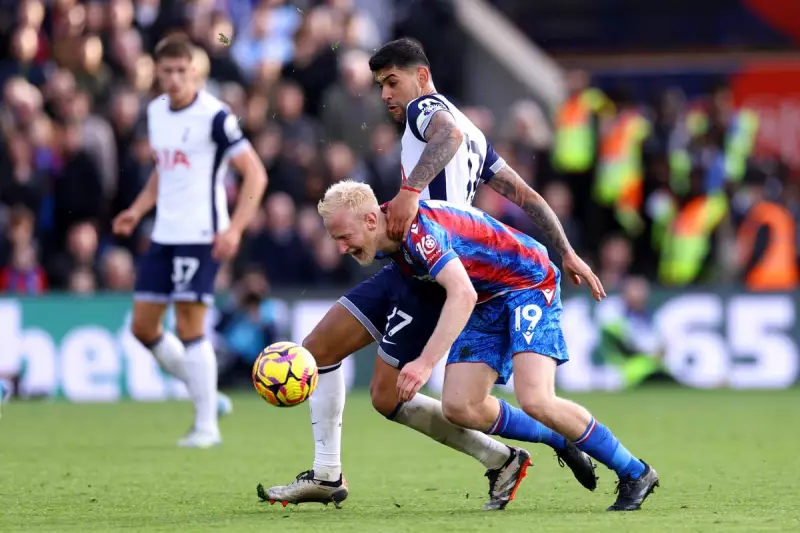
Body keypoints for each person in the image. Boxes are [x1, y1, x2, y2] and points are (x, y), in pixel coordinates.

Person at [265, 38, 598, 509]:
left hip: (431, 274)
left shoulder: (428, 111)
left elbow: (448, 138)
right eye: (380, 85)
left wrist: (408, 190)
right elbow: (527, 197)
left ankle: (507, 455)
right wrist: (567, 250)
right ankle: (327, 474)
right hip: (408, 262)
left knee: (386, 396)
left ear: (420, 76)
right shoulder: (475, 135)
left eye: (391, 82)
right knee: (319, 351)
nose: (385, 94)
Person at [318, 180, 660, 512]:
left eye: (344, 237)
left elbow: (462, 293)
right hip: (487, 298)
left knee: (537, 399)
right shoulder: (388, 233)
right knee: (459, 407)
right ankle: (559, 437)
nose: (342, 248)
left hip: (527, 281)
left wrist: (424, 363)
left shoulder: (417, 232)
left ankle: (635, 472)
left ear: (371, 220)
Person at [112, 37, 268, 448]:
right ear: (157, 73)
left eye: (183, 71)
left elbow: (255, 174)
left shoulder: (214, 116)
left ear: (195, 72)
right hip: (163, 234)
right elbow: (165, 170)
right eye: (168, 71)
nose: (176, 79)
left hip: (201, 235)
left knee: (189, 326)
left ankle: (206, 427)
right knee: (143, 327)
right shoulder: (157, 112)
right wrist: (137, 209)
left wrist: (234, 229)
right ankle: (207, 395)